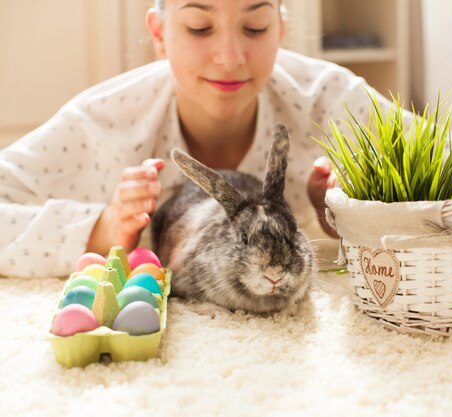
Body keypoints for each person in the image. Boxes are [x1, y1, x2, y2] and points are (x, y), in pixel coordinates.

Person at [0, 0, 414, 278]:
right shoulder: (103, 121)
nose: (230, 58)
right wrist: (101, 229)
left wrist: (359, 211)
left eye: (255, 27)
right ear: (159, 32)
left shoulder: (328, 98)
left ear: (280, 29)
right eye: (199, 28)